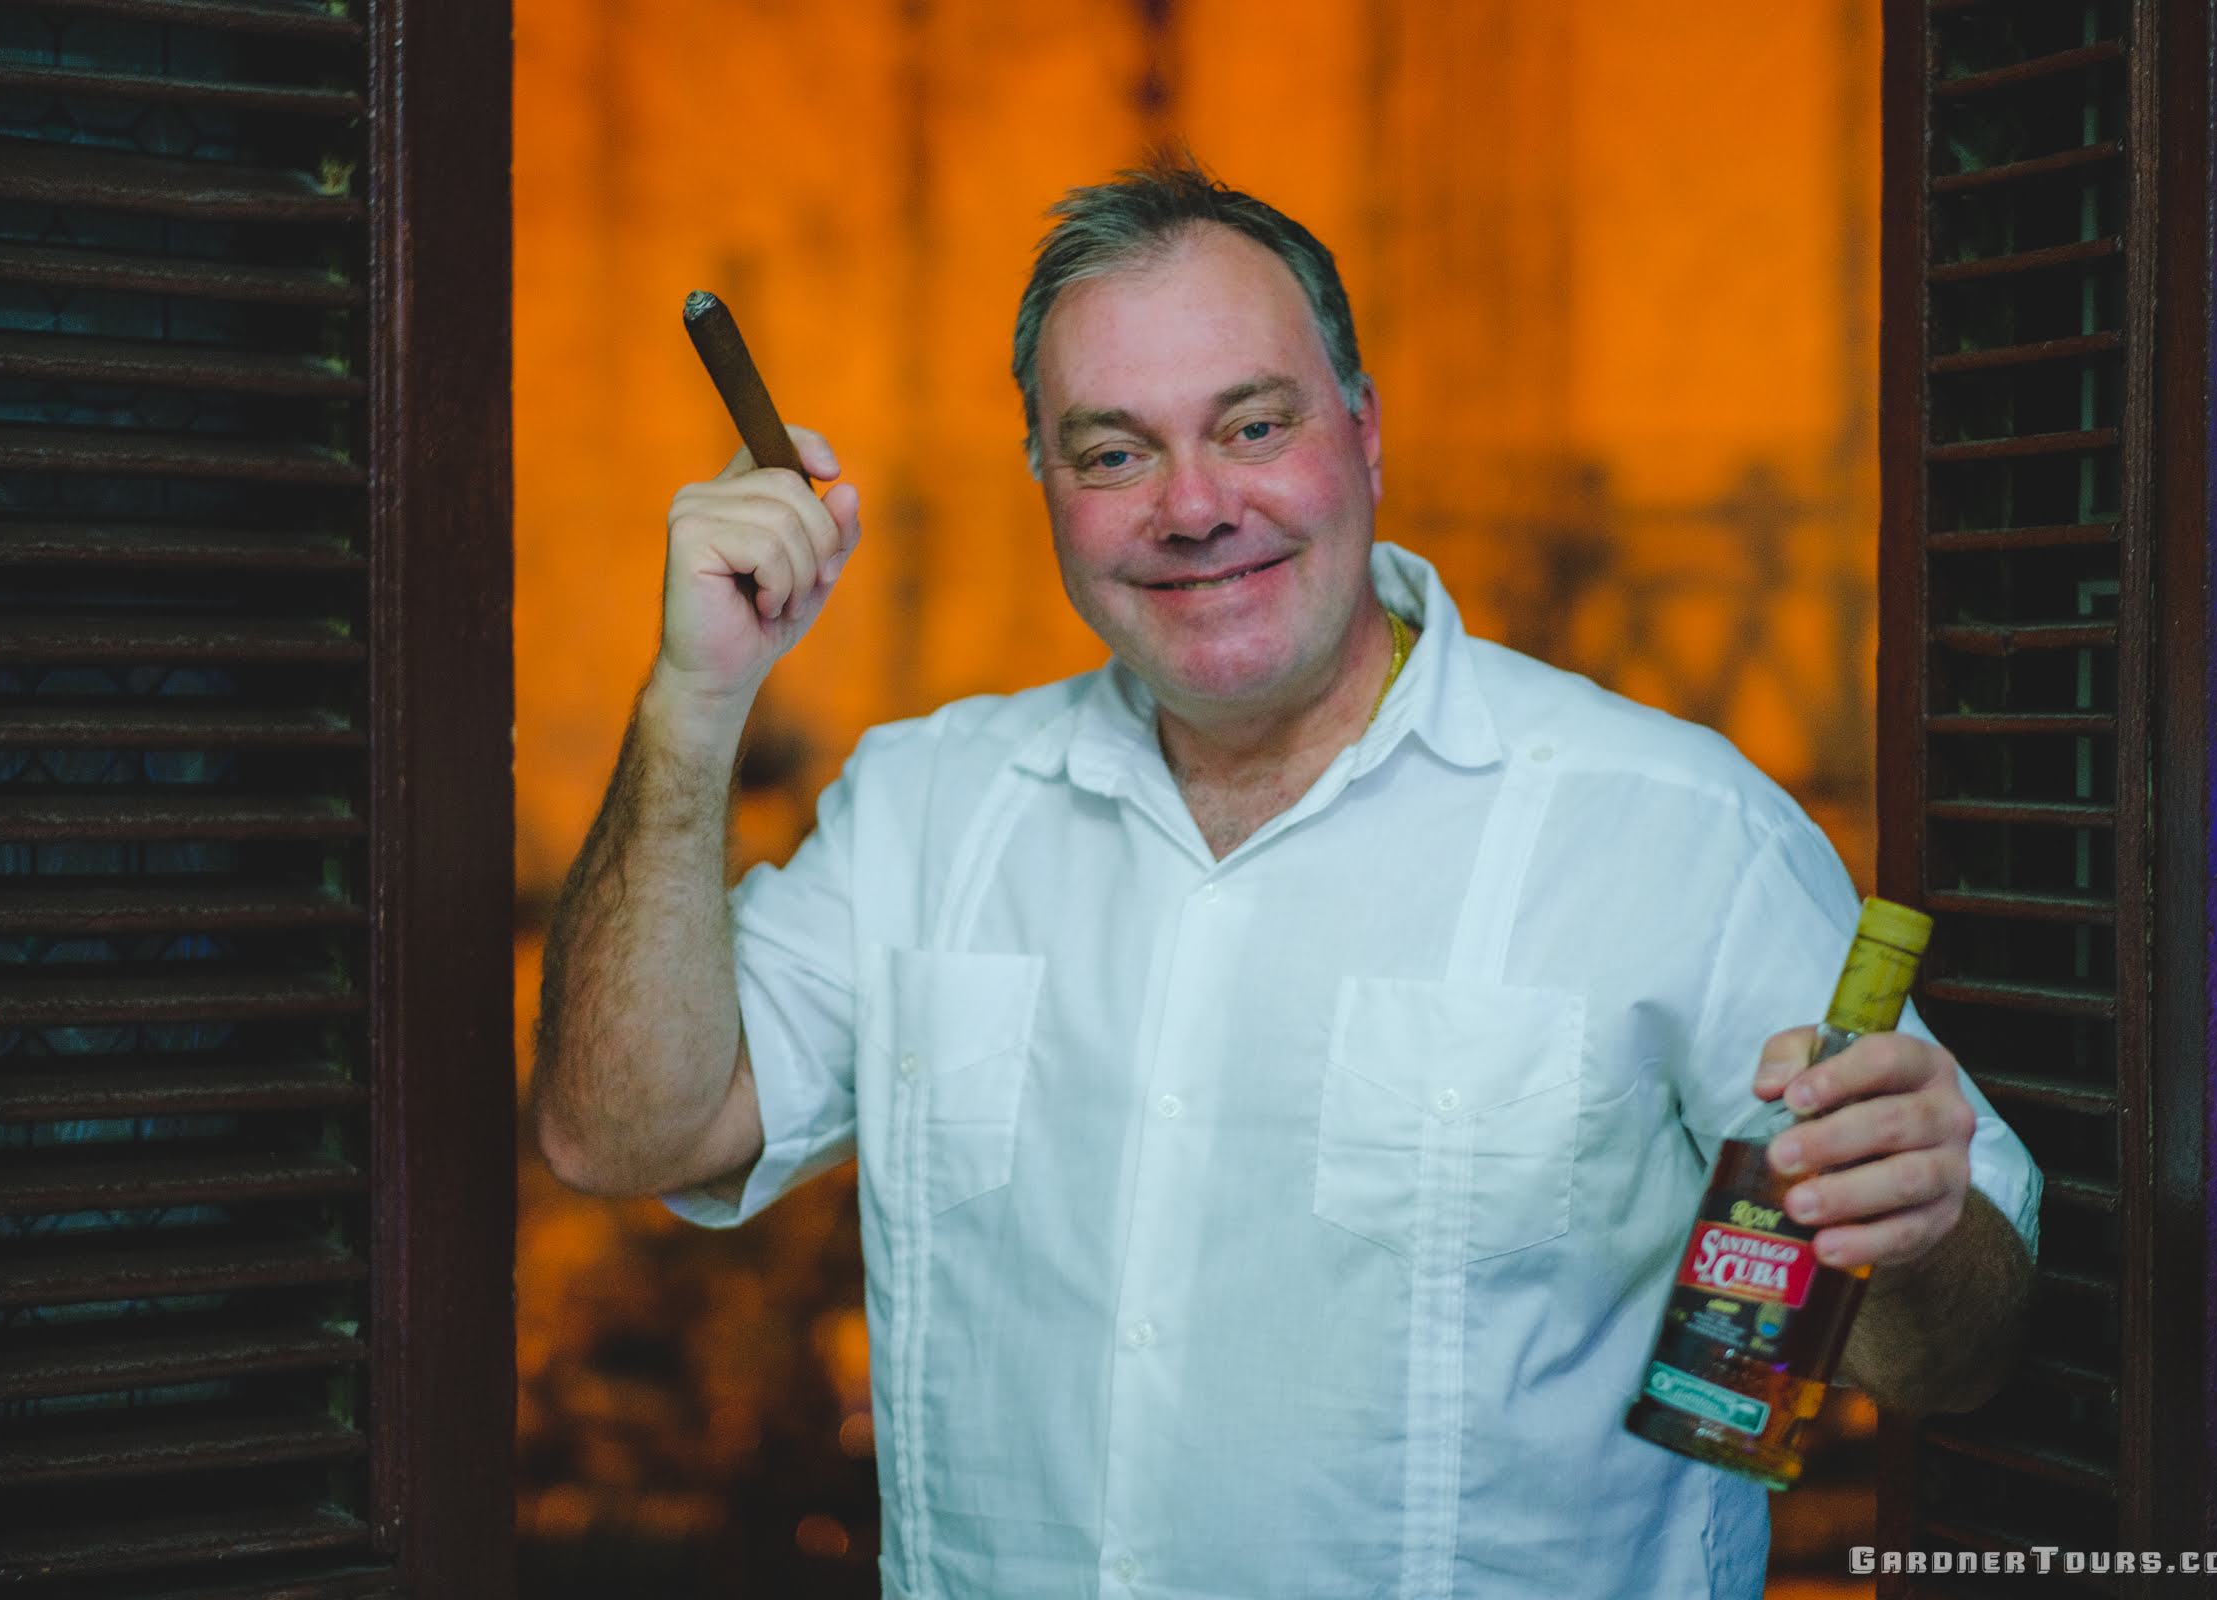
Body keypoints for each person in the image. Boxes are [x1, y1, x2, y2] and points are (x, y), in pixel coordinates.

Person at [531, 158, 2041, 1599]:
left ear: (1365, 434)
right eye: (1115, 451)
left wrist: (1906, 1233)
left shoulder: (1671, 827)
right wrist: (693, 697)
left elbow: (1945, 1359)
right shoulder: (928, 808)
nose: (1193, 504)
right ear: (1045, 481)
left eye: (1253, 427)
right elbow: (624, 1132)